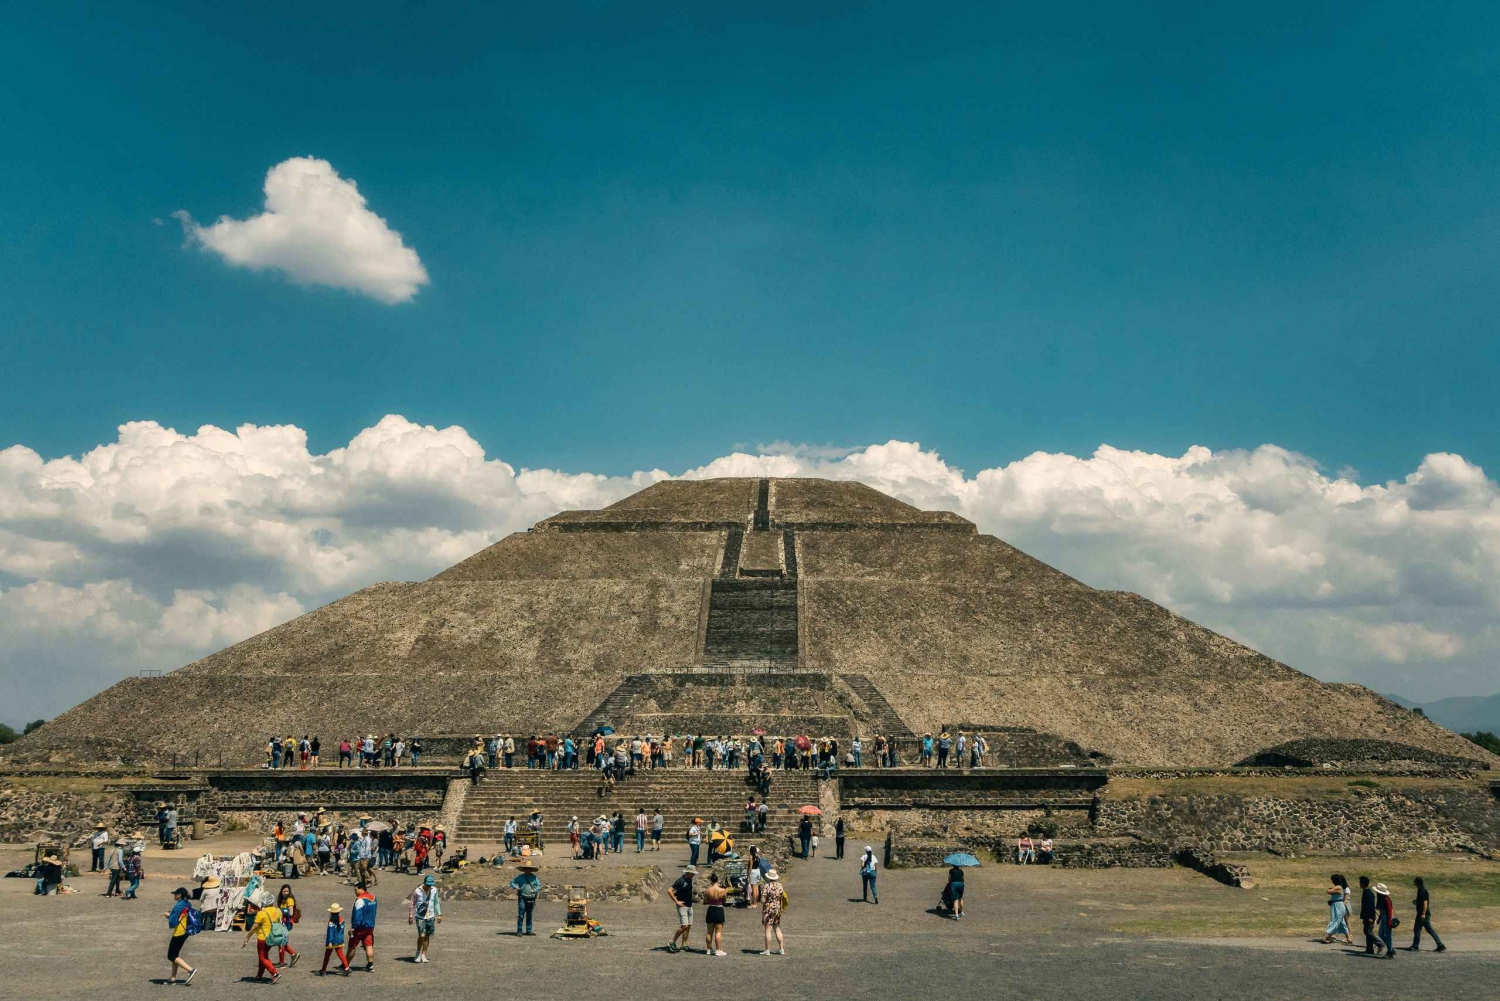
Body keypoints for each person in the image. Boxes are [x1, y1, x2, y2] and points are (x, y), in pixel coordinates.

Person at [242, 898, 285, 983]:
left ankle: (274, 973)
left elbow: (254, 927)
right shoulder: (278, 911)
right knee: (264, 956)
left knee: (262, 958)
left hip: (263, 938)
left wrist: (247, 937)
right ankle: (259, 976)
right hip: (273, 937)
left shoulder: (261, 913)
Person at [163, 886, 198, 984]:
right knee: (175, 955)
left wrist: (168, 915)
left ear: (179, 895)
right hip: (185, 931)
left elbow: (173, 919)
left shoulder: (179, 905)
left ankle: (190, 970)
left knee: (171, 956)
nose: (174, 895)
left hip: (179, 932)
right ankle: (173, 978)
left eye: (175, 894)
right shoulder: (186, 903)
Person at [407, 873, 441, 962]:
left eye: (430, 885)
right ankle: (418, 952)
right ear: (424, 883)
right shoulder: (417, 891)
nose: (429, 887)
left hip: (431, 916)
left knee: (427, 936)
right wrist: (410, 916)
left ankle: (424, 954)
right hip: (420, 916)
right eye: (427, 885)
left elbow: (436, 902)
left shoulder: (434, 890)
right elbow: (412, 903)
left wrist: (439, 914)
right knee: (422, 935)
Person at [1406, 877, 1445, 952]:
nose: (1413, 883)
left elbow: (1425, 903)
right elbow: (1422, 901)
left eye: (1414, 882)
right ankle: (1440, 945)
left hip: (1423, 914)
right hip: (1422, 913)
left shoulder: (1423, 891)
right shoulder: (1420, 890)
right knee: (1428, 929)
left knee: (1417, 929)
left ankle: (1415, 946)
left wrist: (1423, 914)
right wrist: (1416, 902)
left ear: (1417, 883)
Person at [667, 865, 696, 953]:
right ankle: (672, 942)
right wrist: (676, 901)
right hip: (682, 906)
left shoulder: (689, 879)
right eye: (692, 873)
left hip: (689, 905)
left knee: (688, 926)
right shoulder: (680, 881)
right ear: (688, 872)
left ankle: (684, 944)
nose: (694, 875)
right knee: (684, 925)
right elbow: (669, 890)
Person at [349, 883, 378, 971]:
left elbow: (357, 915)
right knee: (368, 945)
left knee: (352, 946)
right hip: (370, 927)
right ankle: (370, 964)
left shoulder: (360, 900)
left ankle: (345, 964)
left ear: (361, 889)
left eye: (356, 889)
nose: (355, 891)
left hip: (359, 928)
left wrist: (354, 927)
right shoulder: (373, 898)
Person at [759, 868, 786, 955]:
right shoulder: (780, 886)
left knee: (768, 929)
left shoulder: (766, 886)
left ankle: (767, 949)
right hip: (777, 909)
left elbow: (763, 900)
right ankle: (781, 948)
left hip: (768, 909)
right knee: (777, 928)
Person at [320, 902, 351, 975]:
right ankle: (347, 967)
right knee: (341, 955)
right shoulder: (342, 920)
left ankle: (323, 970)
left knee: (327, 956)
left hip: (332, 941)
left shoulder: (331, 921)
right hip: (339, 940)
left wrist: (330, 941)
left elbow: (331, 932)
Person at [510, 861, 540, 936]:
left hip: (531, 898)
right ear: (524, 869)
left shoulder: (534, 878)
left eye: (529, 869)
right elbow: (512, 882)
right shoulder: (520, 877)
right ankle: (519, 931)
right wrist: (516, 887)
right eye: (526, 869)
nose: (527, 870)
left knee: (529, 915)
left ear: (531, 870)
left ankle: (529, 930)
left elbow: (538, 885)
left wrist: (536, 890)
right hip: (522, 898)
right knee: (521, 915)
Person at [274, 884, 300, 967]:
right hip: (282, 922)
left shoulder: (290, 900)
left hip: (286, 922)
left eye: (287, 891)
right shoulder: (281, 900)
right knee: (282, 941)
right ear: (281, 891)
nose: (286, 893)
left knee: (281, 941)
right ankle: (293, 954)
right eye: (284, 891)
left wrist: (280, 910)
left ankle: (282, 962)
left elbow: (291, 912)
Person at [703, 871, 728, 956]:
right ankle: (718, 949)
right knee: (718, 932)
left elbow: (706, 901)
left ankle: (709, 949)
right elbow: (724, 900)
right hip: (719, 909)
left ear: (711, 881)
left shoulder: (707, 890)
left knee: (709, 931)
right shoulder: (723, 890)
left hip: (710, 909)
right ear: (717, 880)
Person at [1323, 874, 1352, 945]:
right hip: (1336, 905)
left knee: (1335, 920)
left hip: (1338, 906)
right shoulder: (1337, 887)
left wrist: (1330, 889)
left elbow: (1328, 891)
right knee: (1341, 922)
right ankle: (1348, 938)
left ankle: (1329, 937)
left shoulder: (1339, 887)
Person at [1359, 876, 1381, 955]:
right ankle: (1369, 949)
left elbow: (1371, 906)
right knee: (1367, 931)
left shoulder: (1368, 893)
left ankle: (1379, 944)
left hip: (1369, 916)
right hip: (1366, 916)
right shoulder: (1366, 892)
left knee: (1368, 932)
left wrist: (1371, 917)